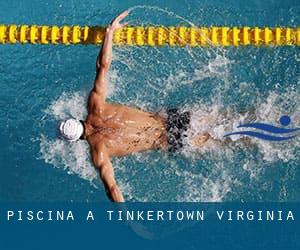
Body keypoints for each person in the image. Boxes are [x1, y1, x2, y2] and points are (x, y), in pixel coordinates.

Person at [58, 11, 210, 202]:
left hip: (171, 140)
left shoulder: (99, 152)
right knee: (226, 118)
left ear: (76, 140)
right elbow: (103, 66)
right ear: (76, 119)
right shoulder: (95, 105)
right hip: (172, 118)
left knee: (228, 141)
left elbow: (112, 189)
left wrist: (129, 221)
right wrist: (109, 33)